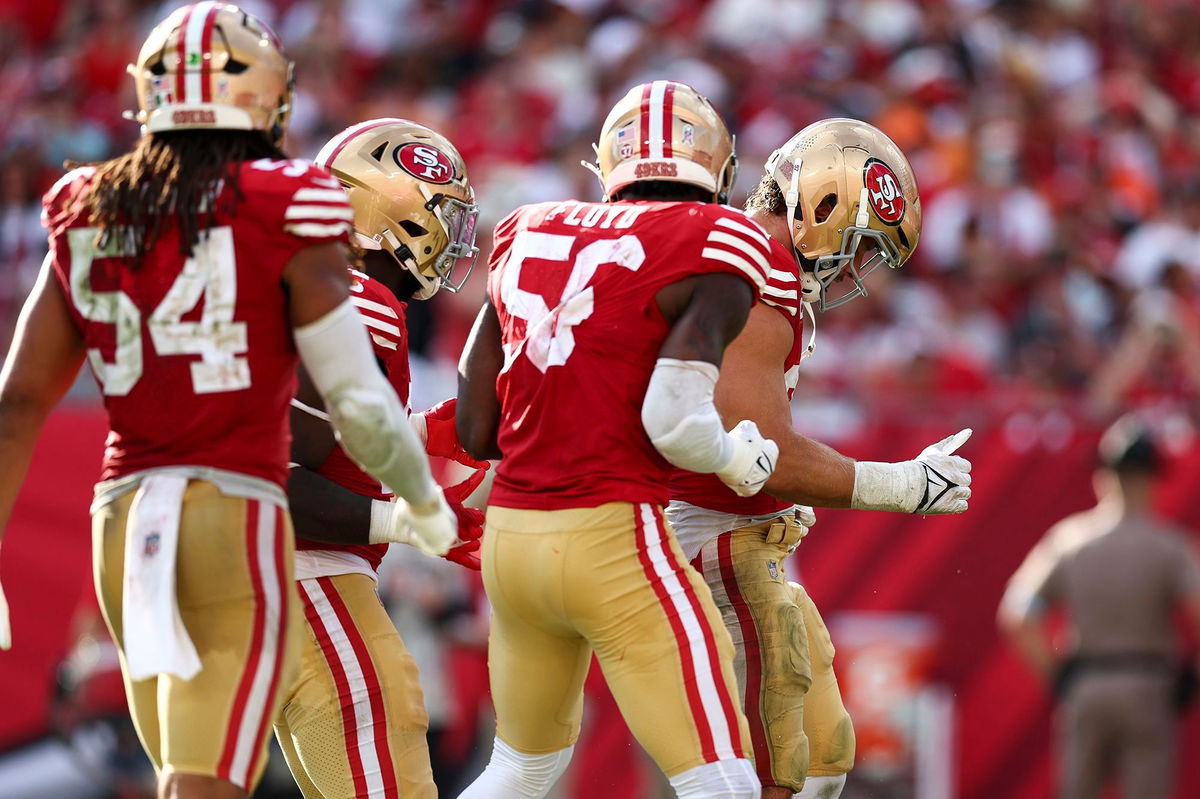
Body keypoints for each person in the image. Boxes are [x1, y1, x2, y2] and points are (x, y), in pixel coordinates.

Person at [0, 6, 456, 799]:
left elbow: (16, 404)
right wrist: (414, 504)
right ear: (271, 105)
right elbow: (343, 408)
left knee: (192, 773)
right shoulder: (287, 203)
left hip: (127, 522)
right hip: (234, 512)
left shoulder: (86, 203)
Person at [455, 80, 781, 799]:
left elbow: (475, 427)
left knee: (519, 770)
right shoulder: (718, 237)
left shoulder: (525, 227)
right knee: (722, 781)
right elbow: (674, 417)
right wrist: (738, 456)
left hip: (510, 542)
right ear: (719, 170)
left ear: (607, 164)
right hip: (613, 537)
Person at [667, 117, 973, 799]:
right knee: (765, 772)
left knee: (826, 757)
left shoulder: (754, 261)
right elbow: (764, 451)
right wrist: (900, 483)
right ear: (820, 208)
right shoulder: (752, 264)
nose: (857, 269)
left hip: (735, 534)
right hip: (704, 537)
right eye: (860, 246)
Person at [274, 117, 489, 799]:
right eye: (440, 214)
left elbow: (313, 434)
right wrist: (405, 518)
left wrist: (418, 429)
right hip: (315, 582)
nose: (451, 238)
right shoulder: (360, 299)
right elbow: (281, 466)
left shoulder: (292, 280)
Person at [999, 417, 1200, 799]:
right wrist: (1191, 680)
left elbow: (1019, 612)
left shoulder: (1069, 541)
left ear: (1102, 475)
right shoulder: (1170, 548)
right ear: (1155, 478)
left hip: (1087, 688)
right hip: (1150, 687)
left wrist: (1057, 677)